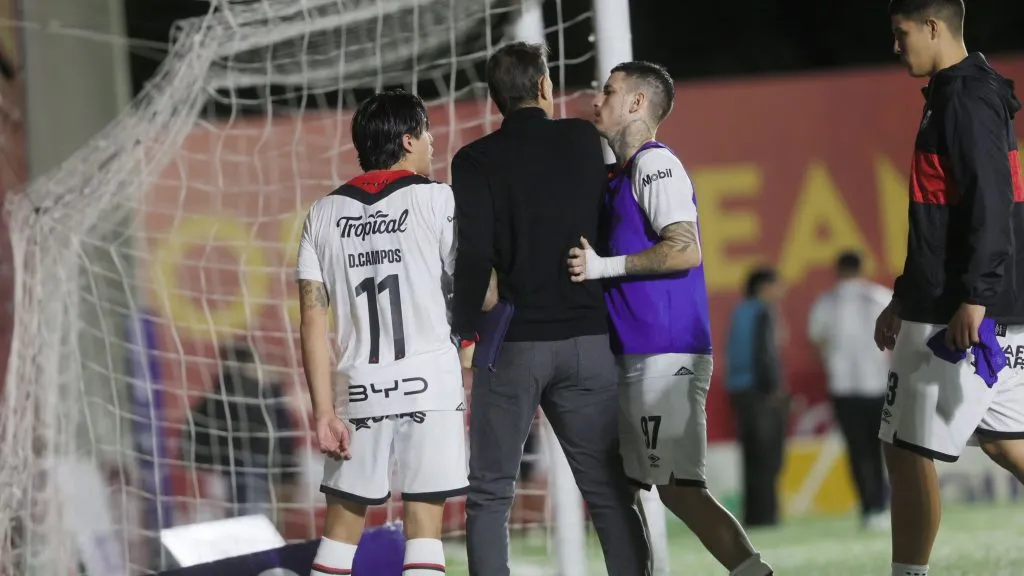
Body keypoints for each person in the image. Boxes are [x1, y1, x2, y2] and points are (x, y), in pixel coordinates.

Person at [450, 42, 650, 576]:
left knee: (490, 497)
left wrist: (463, 333)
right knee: (610, 495)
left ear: (495, 100)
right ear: (545, 87)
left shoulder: (473, 161)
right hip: (588, 337)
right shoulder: (585, 139)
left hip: (513, 343)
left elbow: (473, 255)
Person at [567, 60, 772, 576]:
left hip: (666, 355)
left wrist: (601, 267)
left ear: (637, 103)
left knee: (681, 489)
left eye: (609, 92)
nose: (598, 100)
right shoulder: (618, 175)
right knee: (628, 484)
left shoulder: (656, 165)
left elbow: (684, 251)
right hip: (636, 355)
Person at [877, 2, 1024, 575]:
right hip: (981, 299)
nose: (896, 45)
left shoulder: (963, 97)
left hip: (960, 308)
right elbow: (945, 213)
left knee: (905, 449)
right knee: (1004, 441)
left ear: (933, 27)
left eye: (901, 33)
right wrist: (901, 295)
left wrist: (974, 296)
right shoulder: (965, 92)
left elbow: (993, 201)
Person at [296, 89, 469, 576]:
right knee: (425, 536)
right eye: (428, 133)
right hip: (429, 383)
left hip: (358, 391)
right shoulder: (439, 199)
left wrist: (323, 411)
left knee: (337, 541)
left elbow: (312, 319)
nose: (434, 142)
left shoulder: (322, 214)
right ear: (408, 139)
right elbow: (471, 288)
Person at [808, 251, 892, 529]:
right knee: (886, 449)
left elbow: (817, 338)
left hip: (843, 386)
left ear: (838, 270)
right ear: (862, 267)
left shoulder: (826, 302)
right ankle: (885, 504)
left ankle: (870, 510)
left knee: (858, 451)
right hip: (878, 383)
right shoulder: (880, 296)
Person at [187, 342, 299, 520]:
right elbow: (279, 435)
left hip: (229, 467)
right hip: (250, 466)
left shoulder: (220, 392)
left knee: (242, 513)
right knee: (252, 515)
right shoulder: (255, 394)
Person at [725, 267, 788, 528]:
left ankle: (753, 516)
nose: (781, 291)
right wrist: (773, 389)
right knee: (768, 457)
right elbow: (765, 354)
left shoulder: (740, 312)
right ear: (764, 287)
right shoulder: (764, 311)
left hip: (739, 391)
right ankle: (767, 516)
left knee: (752, 456)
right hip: (760, 392)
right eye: (776, 285)